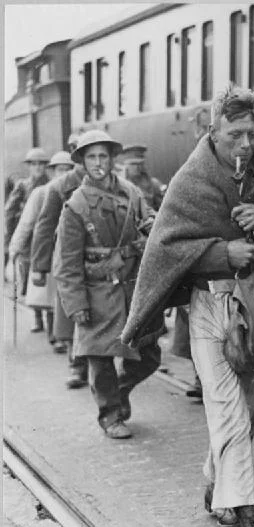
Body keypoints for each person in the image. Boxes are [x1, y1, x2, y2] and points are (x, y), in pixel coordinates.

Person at [120, 85, 254, 527]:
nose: (246, 143)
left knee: (248, 412)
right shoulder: (192, 177)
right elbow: (167, 247)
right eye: (235, 134)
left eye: (253, 133)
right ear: (213, 130)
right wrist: (220, 252)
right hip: (210, 309)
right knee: (227, 411)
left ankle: (216, 482)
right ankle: (249, 515)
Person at [53, 130, 161, 439]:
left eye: (103, 156)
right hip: (97, 292)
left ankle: (120, 390)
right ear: (83, 163)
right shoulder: (76, 206)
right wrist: (76, 305)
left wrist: (150, 224)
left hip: (132, 290)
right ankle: (110, 415)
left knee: (150, 357)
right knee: (100, 361)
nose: (98, 163)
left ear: (112, 159)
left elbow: (149, 217)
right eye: (91, 157)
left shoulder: (130, 192)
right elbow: (68, 263)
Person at [31, 133, 90, 389]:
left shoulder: (110, 182)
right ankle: (76, 365)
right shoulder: (60, 187)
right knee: (70, 312)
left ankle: (102, 368)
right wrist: (39, 267)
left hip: (104, 258)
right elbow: (44, 228)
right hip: (68, 260)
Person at [7, 151, 75, 350]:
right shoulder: (41, 193)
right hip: (48, 251)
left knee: (66, 295)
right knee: (53, 295)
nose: (63, 173)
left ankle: (66, 338)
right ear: (52, 171)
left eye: (67, 169)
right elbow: (26, 222)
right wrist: (15, 247)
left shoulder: (78, 192)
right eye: (60, 169)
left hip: (71, 252)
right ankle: (56, 337)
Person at [5, 148, 50, 325]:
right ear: (29, 167)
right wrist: (10, 239)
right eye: (34, 164)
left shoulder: (51, 184)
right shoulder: (22, 186)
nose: (38, 167)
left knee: (44, 277)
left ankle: (47, 318)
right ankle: (37, 317)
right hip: (27, 241)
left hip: (45, 239)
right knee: (27, 280)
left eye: (41, 164)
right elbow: (9, 212)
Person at [117, 144, 165, 211]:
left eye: (140, 164)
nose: (137, 167)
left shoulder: (154, 184)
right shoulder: (117, 185)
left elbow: (163, 209)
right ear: (126, 165)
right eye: (133, 164)